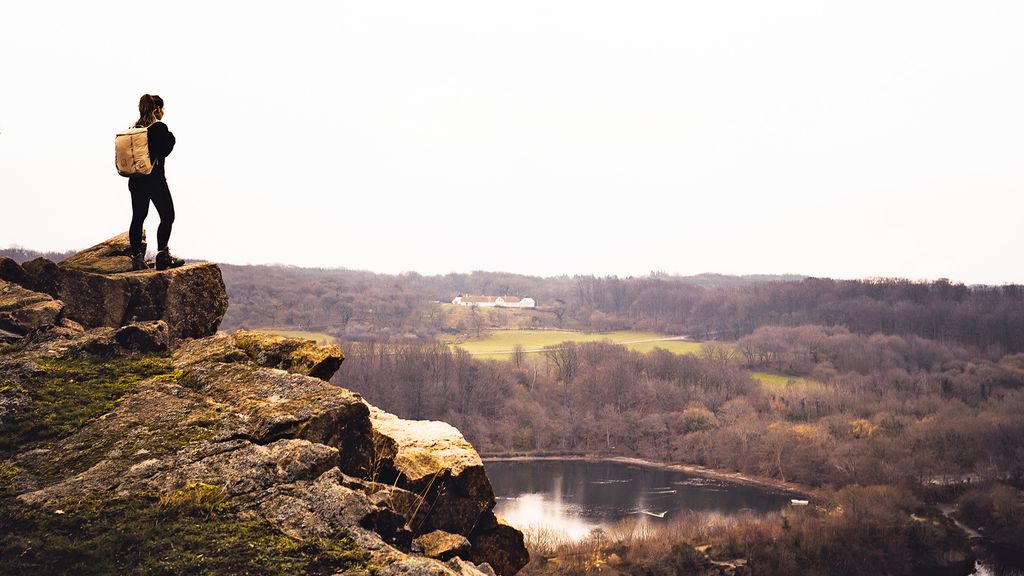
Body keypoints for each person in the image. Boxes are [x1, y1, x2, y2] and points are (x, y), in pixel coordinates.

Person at [128, 94, 184, 271]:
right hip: (155, 180)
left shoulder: (133, 128)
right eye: (162, 108)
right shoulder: (158, 127)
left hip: (136, 180)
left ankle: (137, 258)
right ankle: (162, 256)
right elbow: (165, 148)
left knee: (138, 217)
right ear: (157, 109)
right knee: (168, 216)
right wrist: (171, 137)